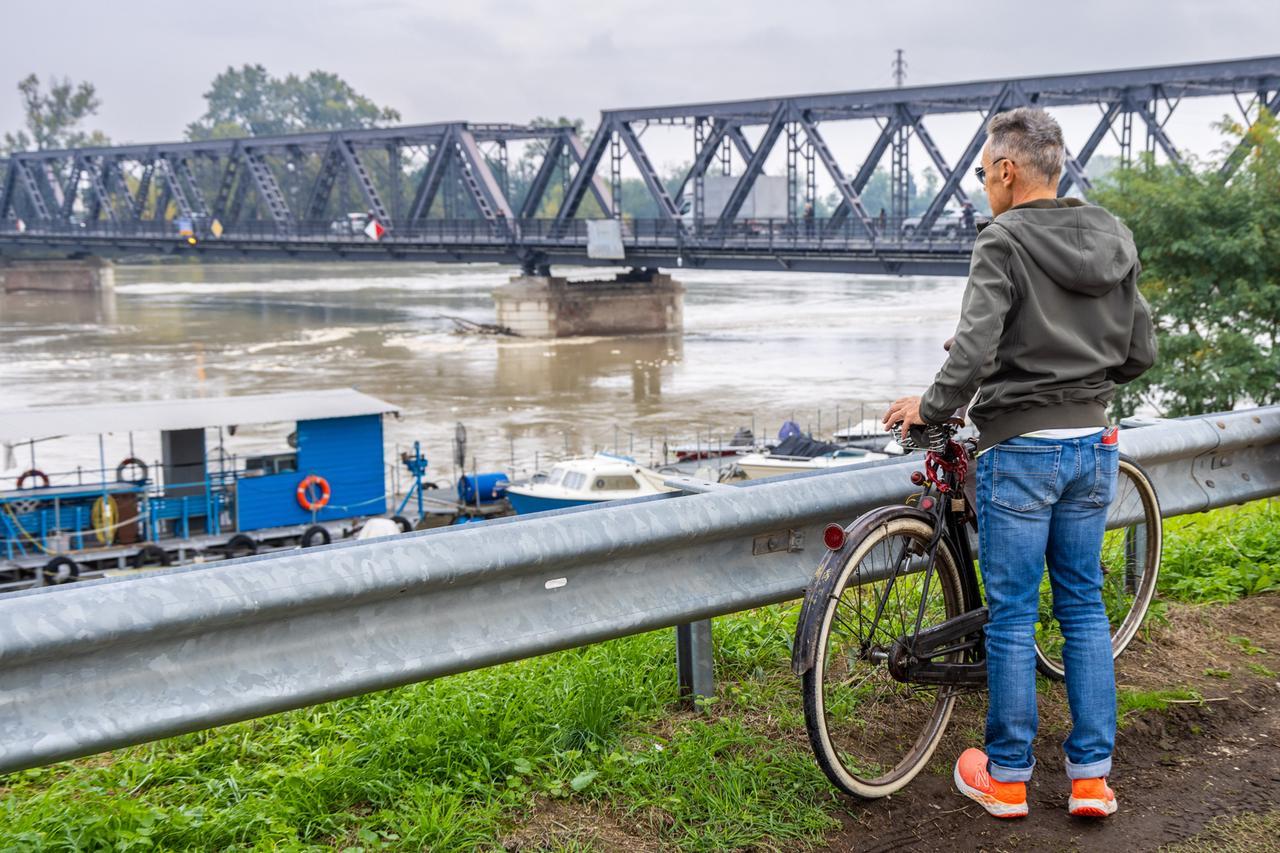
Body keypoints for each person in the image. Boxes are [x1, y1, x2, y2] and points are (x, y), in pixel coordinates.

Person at [881, 106, 1155, 821]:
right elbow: (1139, 352)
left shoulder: (1001, 241)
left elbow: (970, 356)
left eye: (981, 175)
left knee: (1009, 617)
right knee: (1083, 607)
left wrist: (930, 408)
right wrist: (1078, 376)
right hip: (1093, 445)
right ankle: (1091, 779)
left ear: (1007, 170)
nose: (982, 190)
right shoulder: (1111, 235)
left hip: (1022, 449)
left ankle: (1007, 777)